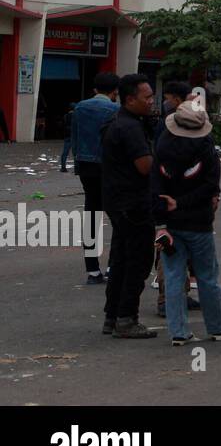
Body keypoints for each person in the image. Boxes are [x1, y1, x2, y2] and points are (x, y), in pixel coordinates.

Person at [150, 88, 221, 345]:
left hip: (170, 224)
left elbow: (155, 186)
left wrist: (162, 219)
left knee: (174, 277)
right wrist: (185, 202)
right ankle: (218, 327)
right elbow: (210, 186)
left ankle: (178, 332)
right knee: (207, 276)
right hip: (198, 221)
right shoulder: (206, 151)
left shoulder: (162, 146)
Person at [99, 73, 158, 338]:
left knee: (121, 260)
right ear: (130, 99)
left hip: (117, 201)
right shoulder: (131, 128)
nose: (151, 101)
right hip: (133, 204)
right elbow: (145, 166)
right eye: (147, 97)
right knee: (137, 261)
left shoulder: (118, 122)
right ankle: (126, 319)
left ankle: (112, 317)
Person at [153, 80, 199, 317]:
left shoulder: (177, 122)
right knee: (169, 247)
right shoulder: (168, 124)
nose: (163, 102)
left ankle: (181, 293)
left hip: (184, 194)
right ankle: (166, 299)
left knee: (184, 248)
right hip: (171, 194)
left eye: (168, 97)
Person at [71, 72, 119, 284]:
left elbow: (75, 137)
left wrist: (78, 164)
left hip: (86, 167)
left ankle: (92, 270)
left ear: (94, 90)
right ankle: (112, 267)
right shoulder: (117, 110)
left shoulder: (80, 107)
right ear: (115, 92)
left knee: (92, 216)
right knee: (118, 217)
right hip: (109, 168)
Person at [59, 102, 76, 171]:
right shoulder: (76, 116)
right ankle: (76, 168)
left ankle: (63, 167)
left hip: (67, 135)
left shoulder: (65, 116)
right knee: (75, 153)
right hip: (74, 135)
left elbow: (63, 125)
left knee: (65, 152)